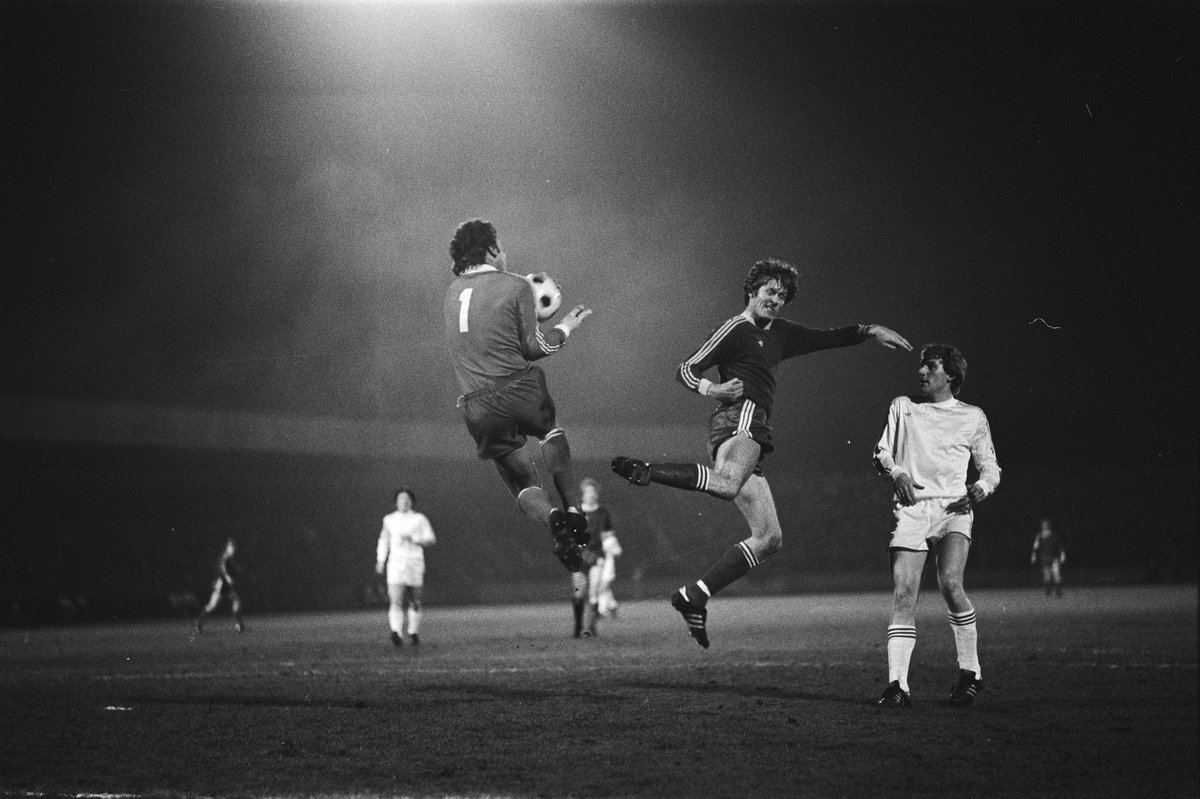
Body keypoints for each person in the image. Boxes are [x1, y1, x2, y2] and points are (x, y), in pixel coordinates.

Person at [611, 258, 911, 648]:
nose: (776, 299)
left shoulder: (782, 333)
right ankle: (649, 471)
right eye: (770, 291)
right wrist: (711, 390)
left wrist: (870, 330)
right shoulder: (736, 329)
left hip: (751, 428)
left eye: (782, 295)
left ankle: (694, 595)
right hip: (740, 420)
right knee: (725, 484)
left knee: (769, 538)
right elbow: (687, 368)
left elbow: (829, 337)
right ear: (751, 291)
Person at [444, 219, 594, 573]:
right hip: (518, 388)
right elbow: (534, 347)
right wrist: (566, 327)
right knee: (551, 431)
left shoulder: (451, 294)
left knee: (520, 481)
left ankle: (553, 518)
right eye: (502, 247)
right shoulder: (516, 286)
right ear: (492, 250)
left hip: (477, 405)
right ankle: (573, 509)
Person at [872, 343, 1001, 708]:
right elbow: (882, 453)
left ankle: (970, 672)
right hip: (911, 509)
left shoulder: (972, 416)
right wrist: (896, 473)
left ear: (951, 375)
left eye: (930, 366)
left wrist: (981, 487)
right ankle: (897, 685)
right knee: (904, 593)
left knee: (950, 583)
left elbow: (990, 467)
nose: (922, 372)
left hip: (954, 509)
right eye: (921, 366)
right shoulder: (903, 407)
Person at [375, 487, 437, 646]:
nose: (404, 501)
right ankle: (396, 632)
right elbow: (384, 540)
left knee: (414, 600)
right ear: (396, 502)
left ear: (412, 501)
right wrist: (381, 560)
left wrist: (415, 539)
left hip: (414, 562)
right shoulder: (389, 520)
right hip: (396, 563)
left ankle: (413, 631)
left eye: (407, 498)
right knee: (395, 599)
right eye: (401, 498)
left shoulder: (419, 519)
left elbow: (430, 539)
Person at [570, 477, 621, 638]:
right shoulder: (576, 512)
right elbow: (570, 536)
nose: (591, 495)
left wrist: (610, 546)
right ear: (582, 494)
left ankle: (590, 627)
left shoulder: (603, 512)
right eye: (588, 492)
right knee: (578, 592)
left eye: (593, 492)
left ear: (597, 494)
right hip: (578, 557)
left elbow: (607, 535)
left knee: (594, 592)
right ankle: (578, 627)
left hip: (596, 557)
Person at [196, 537, 243, 634]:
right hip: (221, 586)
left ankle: (239, 624)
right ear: (228, 547)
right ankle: (199, 622)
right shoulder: (225, 557)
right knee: (212, 606)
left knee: (236, 601)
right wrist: (228, 577)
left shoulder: (230, 558)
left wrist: (236, 570)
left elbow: (229, 569)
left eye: (234, 548)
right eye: (232, 547)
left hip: (226, 586)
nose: (234, 550)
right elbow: (223, 569)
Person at [1031, 517, 1065, 597]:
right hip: (1044, 558)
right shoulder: (1039, 536)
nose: (1045, 526)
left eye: (1046, 525)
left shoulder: (1054, 535)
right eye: (1044, 525)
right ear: (1042, 526)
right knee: (1047, 576)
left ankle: (1058, 592)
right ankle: (1048, 592)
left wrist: (1062, 554)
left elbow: (1060, 546)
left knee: (1057, 575)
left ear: (1049, 525)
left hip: (1054, 558)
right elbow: (1035, 547)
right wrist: (1033, 555)